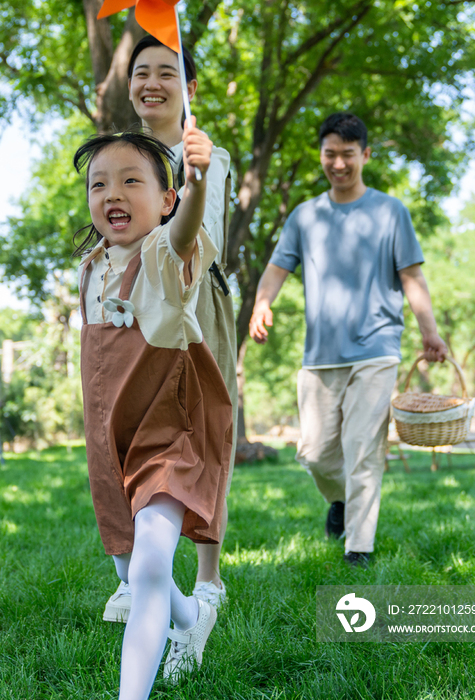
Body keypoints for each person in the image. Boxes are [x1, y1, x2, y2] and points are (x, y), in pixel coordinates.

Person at [74, 126, 232, 698]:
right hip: (110, 443)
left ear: (164, 201)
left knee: (146, 572)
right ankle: (191, 621)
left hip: (167, 438)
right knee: (132, 568)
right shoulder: (90, 267)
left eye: (130, 180)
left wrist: (197, 182)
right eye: (99, 184)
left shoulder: (165, 256)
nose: (111, 193)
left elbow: (186, 233)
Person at [249, 112, 447, 566]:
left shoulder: (390, 211)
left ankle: (359, 546)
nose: (338, 164)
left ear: (365, 155)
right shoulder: (305, 216)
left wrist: (430, 334)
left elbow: (412, 276)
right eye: (330, 154)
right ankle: (338, 501)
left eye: (348, 154)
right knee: (315, 454)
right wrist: (262, 303)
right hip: (320, 355)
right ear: (321, 155)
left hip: (377, 348)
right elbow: (279, 267)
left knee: (364, 450)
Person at [103, 35, 237, 621]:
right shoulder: (119, 152)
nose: (152, 82)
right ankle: (133, 571)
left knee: (206, 432)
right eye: (141, 73)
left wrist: (196, 170)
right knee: (127, 426)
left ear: (190, 89)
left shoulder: (205, 154)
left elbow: (191, 242)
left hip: (194, 301)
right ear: (129, 86)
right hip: (133, 303)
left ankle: (207, 581)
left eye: (167, 71)